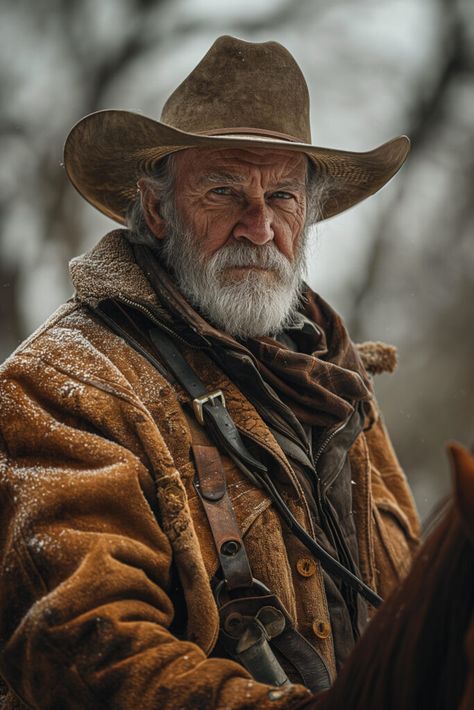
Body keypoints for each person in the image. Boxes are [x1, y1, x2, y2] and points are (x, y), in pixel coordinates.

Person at [0, 36, 420, 709]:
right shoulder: (61, 381)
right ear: (159, 209)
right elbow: (80, 647)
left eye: (281, 196)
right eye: (224, 191)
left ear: (305, 216)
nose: (257, 226)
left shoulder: (338, 386)